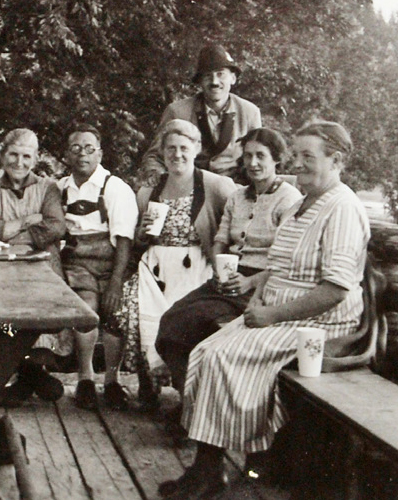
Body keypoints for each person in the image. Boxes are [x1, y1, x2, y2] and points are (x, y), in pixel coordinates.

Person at [158, 120, 370, 499]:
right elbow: (280, 267)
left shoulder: (342, 207)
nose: (299, 163)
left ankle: (214, 470)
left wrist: (270, 315)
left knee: (222, 355)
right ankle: (210, 467)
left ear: (336, 160)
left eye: (309, 156)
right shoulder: (304, 205)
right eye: (297, 154)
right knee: (205, 350)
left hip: (320, 323)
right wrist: (257, 295)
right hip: (283, 310)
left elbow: (336, 289)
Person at [154, 128, 302, 400]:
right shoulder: (238, 196)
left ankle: (202, 405)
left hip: (263, 285)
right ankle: (191, 399)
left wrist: (250, 281)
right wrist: (221, 267)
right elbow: (221, 238)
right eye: (248, 156)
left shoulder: (289, 199)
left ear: (276, 160)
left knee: (204, 328)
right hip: (229, 279)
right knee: (171, 322)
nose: (253, 163)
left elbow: (286, 258)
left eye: (261, 156)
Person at [113, 119, 236, 407]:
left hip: (196, 265)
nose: (177, 154)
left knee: (187, 321)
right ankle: (148, 382)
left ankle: (187, 395)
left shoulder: (215, 185)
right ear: (163, 152)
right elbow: (139, 240)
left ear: (196, 149)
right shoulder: (150, 189)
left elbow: (237, 218)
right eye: (170, 148)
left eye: (184, 148)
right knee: (133, 306)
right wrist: (142, 234)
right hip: (155, 265)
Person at [0, 128, 66, 405]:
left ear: (35, 159)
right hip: (1, 266)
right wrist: (29, 220)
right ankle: (29, 375)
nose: (19, 162)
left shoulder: (47, 187)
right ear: (2, 156)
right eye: (13, 154)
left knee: (40, 307)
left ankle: (30, 373)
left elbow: (55, 226)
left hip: (41, 264)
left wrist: (11, 233)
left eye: (26, 156)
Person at [57, 124, 139, 410]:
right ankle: (85, 379)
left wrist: (116, 282)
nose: (83, 154)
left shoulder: (115, 187)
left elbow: (125, 240)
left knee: (114, 314)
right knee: (85, 311)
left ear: (100, 153)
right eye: (76, 148)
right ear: (66, 154)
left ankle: (113, 381)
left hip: (113, 263)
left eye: (89, 148)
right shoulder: (60, 188)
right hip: (78, 264)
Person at [139, 44, 261, 185]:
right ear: (200, 82)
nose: (215, 82)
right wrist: (159, 179)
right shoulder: (178, 111)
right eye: (208, 76)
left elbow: (257, 158)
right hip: (189, 188)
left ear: (233, 78)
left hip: (234, 189)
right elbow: (154, 156)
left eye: (220, 74)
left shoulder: (249, 112)